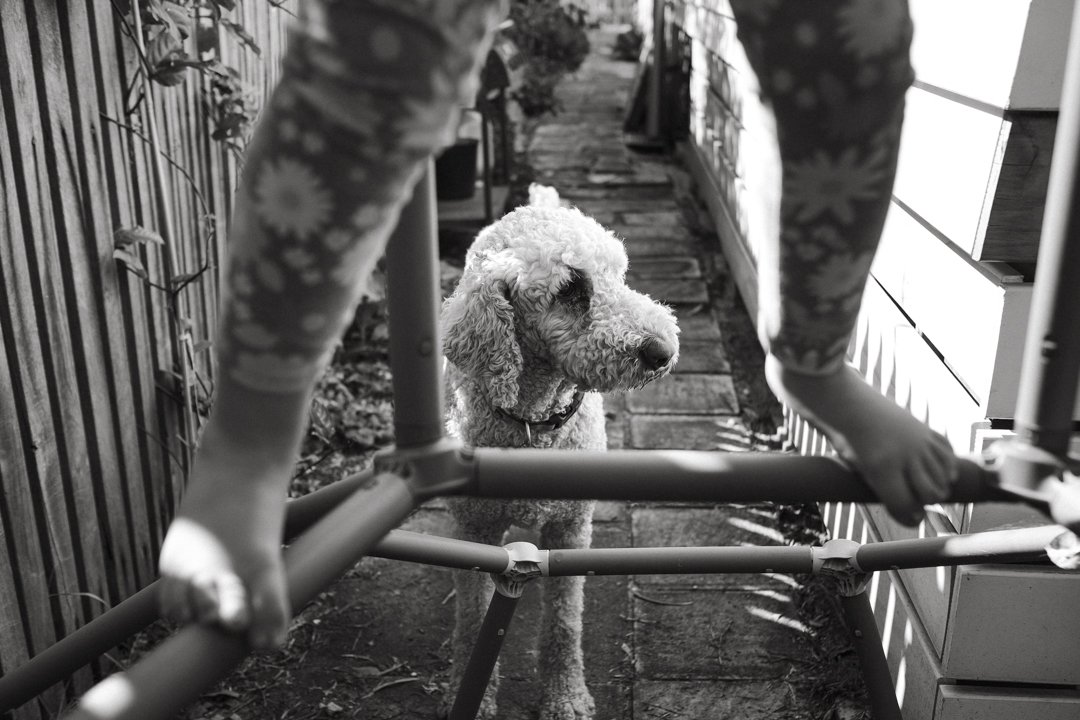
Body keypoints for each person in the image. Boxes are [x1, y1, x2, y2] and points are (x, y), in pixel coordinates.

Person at [158, 0, 956, 650]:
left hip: (563, 425)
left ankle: (813, 364)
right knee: (366, 67)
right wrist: (253, 451)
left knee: (853, 43)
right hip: (485, 414)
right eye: (573, 296)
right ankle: (247, 449)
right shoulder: (488, 320)